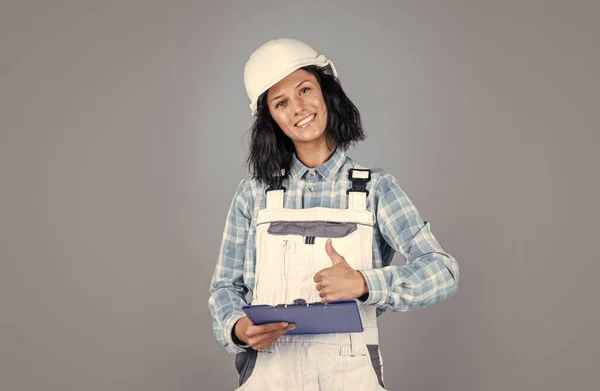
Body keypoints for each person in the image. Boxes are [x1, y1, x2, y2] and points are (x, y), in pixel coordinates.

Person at [208, 38, 459, 391]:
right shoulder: (253, 194)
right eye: (281, 103)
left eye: (305, 89)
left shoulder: (375, 189)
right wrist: (238, 328)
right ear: (272, 119)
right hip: (268, 377)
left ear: (326, 92)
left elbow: (443, 270)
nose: (298, 108)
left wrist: (365, 283)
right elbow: (224, 288)